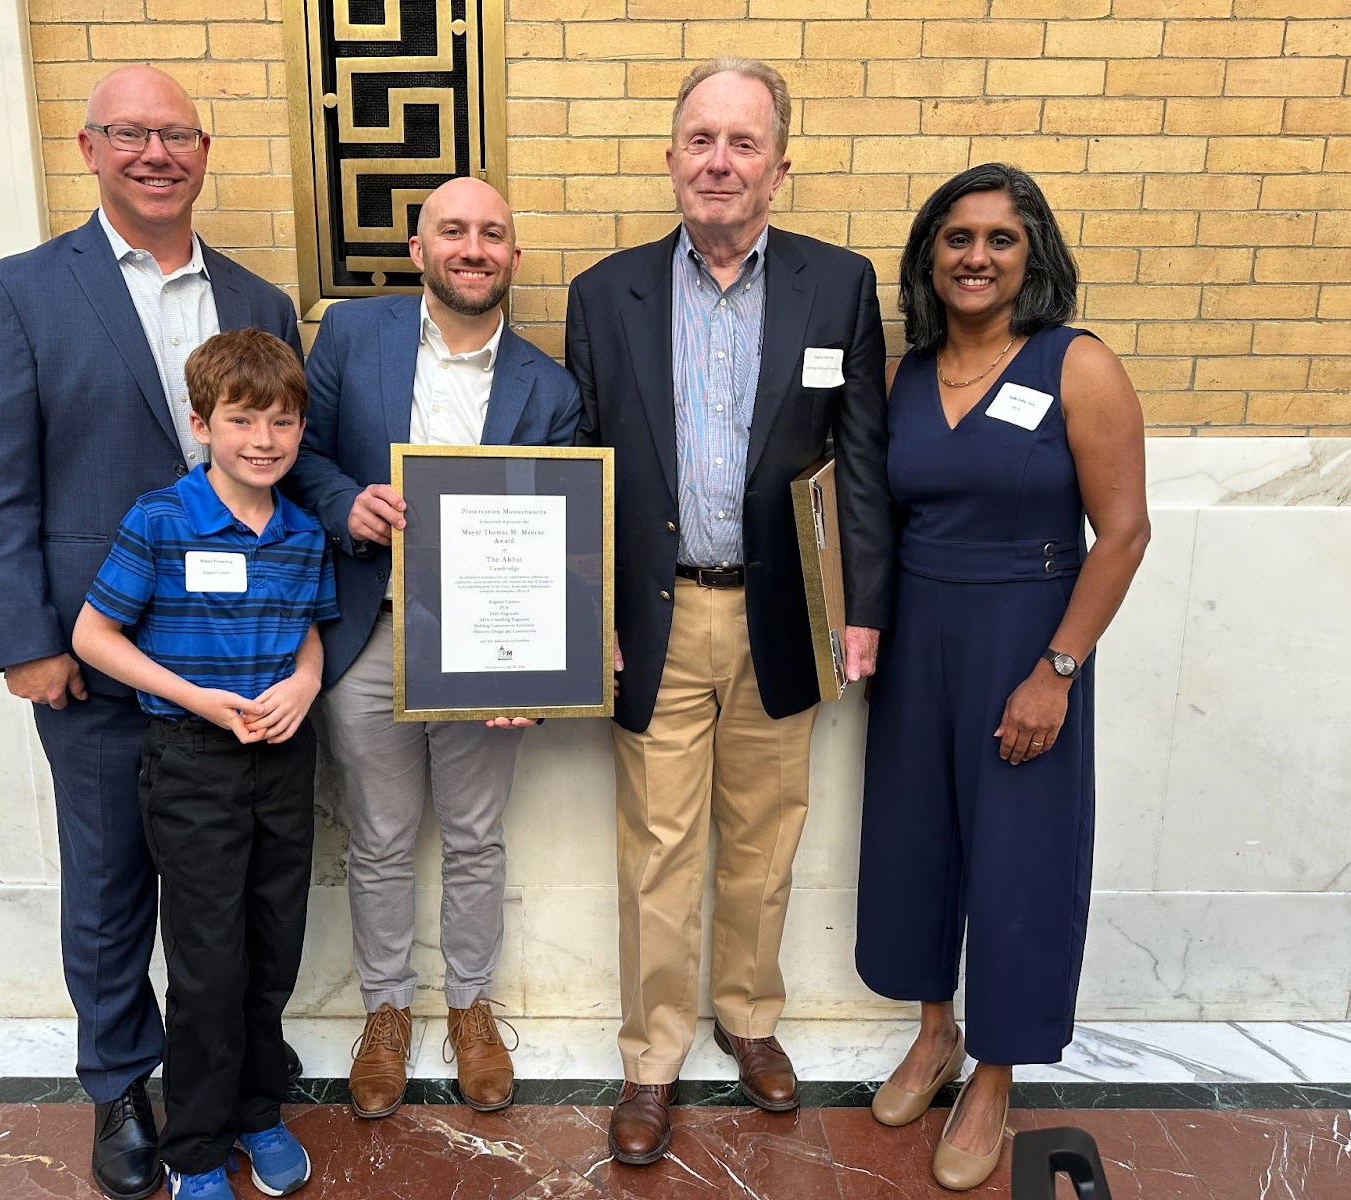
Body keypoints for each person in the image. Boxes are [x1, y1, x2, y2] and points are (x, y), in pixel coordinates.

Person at [0, 65, 303, 1200]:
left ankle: (237, 1089)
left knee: (232, 905)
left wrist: (350, 504)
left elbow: (292, 453)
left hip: (236, 665)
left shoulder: (259, 297)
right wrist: (28, 642)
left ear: (204, 152)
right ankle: (118, 1086)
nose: (156, 154)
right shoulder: (21, 292)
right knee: (108, 884)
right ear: (89, 147)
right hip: (91, 658)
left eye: (177, 135)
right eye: (130, 134)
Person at [565, 57, 894, 1165]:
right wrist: (587, 612)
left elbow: (863, 458)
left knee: (766, 834)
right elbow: (584, 468)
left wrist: (863, 609)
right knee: (657, 849)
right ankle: (651, 1058)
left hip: (784, 617)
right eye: (700, 139)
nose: (718, 161)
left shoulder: (837, 286)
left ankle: (749, 1018)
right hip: (657, 618)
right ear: (670, 159)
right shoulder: (603, 291)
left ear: (779, 169)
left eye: (742, 143)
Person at [855, 163, 1151, 1192]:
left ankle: (993, 1070)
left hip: (1026, 637)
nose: (975, 257)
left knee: (1019, 861)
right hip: (918, 638)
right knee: (915, 844)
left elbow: (1122, 533)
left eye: (999, 240)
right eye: (956, 238)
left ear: (1034, 257)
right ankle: (933, 1032)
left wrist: (1057, 671)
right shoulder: (906, 373)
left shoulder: (1076, 365)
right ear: (928, 257)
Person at [284, 176, 580, 1118]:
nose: (473, 247)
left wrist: (542, 663)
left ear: (513, 257)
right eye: (452, 230)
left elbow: (571, 532)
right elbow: (306, 458)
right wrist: (346, 505)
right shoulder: (354, 339)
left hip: (487, 651)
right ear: (419, 249)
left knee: (475, 838)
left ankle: (469, 1008)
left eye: (493, 233)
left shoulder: (551, 385)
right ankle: (384, 1013)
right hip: (366, 629)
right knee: (375, 837)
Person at [73, 328, 333, 1200]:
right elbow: (93, 636)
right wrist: (196, 699)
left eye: (284, 423)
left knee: (273, 951)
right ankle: (193, 1148)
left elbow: (307, 632)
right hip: (190, 764)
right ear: (201, 424)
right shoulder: (161, 518)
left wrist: (303, 682)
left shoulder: (302, 531)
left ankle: (260, 1111)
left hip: (281, 761)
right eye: (243, 419)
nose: (264, 440)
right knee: (208, 966)